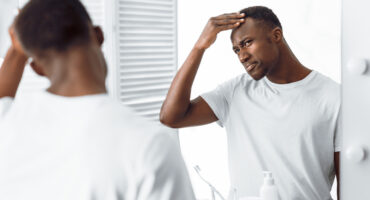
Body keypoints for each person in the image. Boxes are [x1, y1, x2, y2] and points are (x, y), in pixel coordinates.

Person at [0, 0, 195, 199]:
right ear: (99, 35)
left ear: (36, 68)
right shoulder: (150, 146)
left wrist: (18, 49)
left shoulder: (7, 123)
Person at [160, 6, 341, 200]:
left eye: (247, 43)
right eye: (236, 50)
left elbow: (350, 184)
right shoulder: (235, 92)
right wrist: (199, 47)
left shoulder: (333, 96)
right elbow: (171, 117)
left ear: (276, 35)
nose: (242, 56)